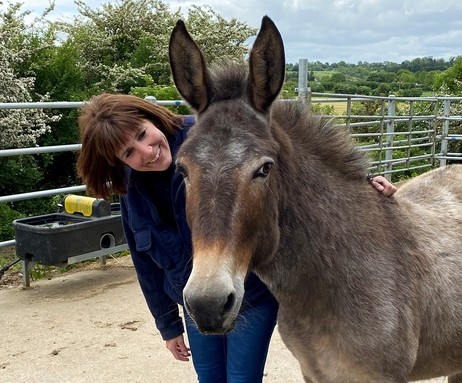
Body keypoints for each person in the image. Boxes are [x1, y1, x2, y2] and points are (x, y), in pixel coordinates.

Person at [75, 93, 397, 383]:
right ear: (118, 162)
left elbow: (292, 167)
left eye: (143, 134)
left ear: (154, 119)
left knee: (242, 378)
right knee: (210, 377)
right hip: (196, 296)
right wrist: (167, 326)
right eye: (130, 152)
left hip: (250, 294)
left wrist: (360, 184)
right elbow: (144, 261)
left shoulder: (211, 135)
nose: (147, 151)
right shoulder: (132, 191)